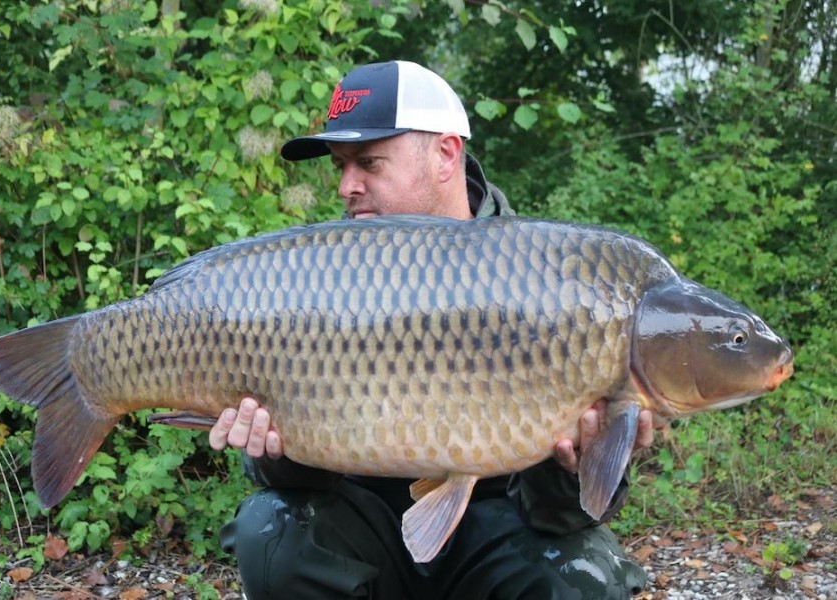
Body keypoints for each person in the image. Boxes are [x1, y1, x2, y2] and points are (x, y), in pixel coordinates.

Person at [211, 60, 653, 599]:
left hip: (494, 543)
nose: (348, 186)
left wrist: (569, 468)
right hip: (368, 535)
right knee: (271, 529)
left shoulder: (546, 282)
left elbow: (564, 517)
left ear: (445, 154)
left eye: (369, 162)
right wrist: (275, 453)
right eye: (341, 166)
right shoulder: (311, 280)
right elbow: (296, 484)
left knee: (584, 573)